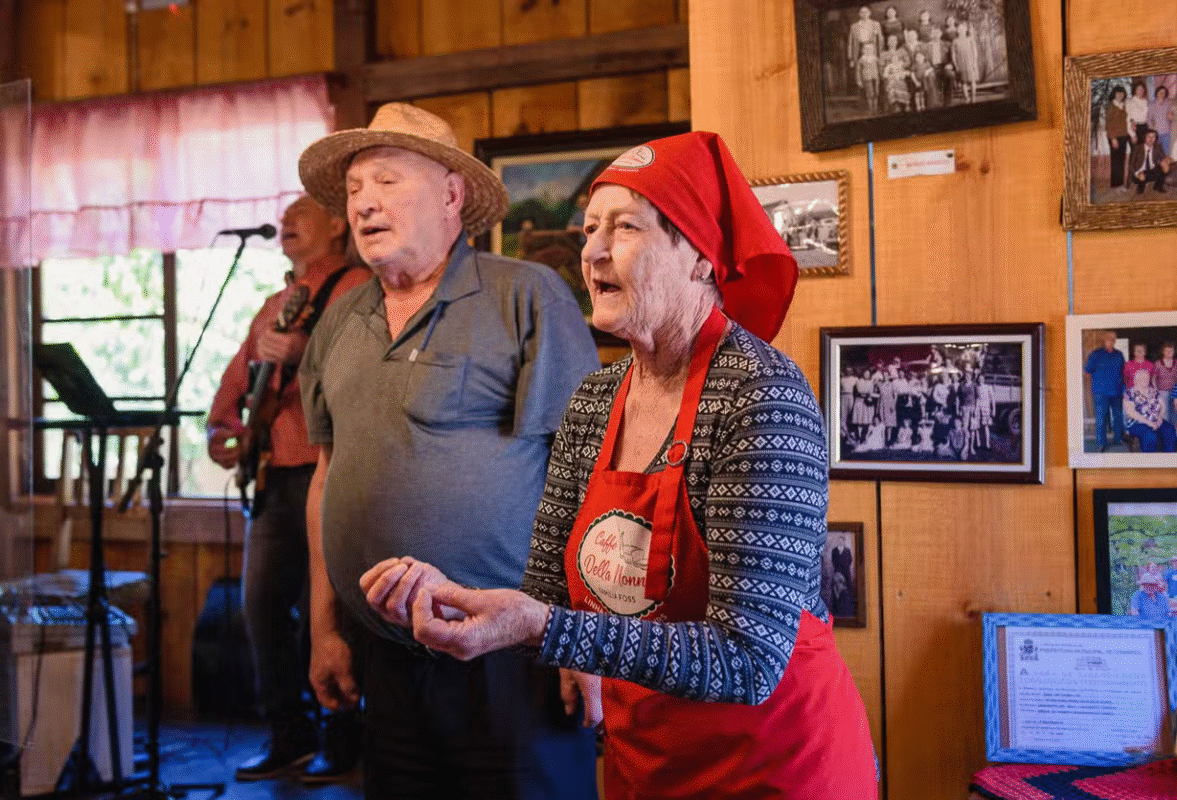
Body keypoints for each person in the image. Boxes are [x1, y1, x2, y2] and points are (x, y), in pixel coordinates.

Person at [360, 131, 880, 798]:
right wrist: (454, 601)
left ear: (701, 257)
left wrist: (543, 627)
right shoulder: (596, 400)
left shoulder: (761, 396)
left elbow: (749, 662)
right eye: (589, 230)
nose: (593, 251)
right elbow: (547, 596)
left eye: (625, 228)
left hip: (776, 764)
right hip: (649, 759)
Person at [295, 102, 601, 800]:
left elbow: (590, 473)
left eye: (387, 181)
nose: (364, 203)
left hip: (512, 658)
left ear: (451, 195)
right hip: (385, 658)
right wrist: (324, 629)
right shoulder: (340, 318)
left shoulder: (526, 295)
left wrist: (581, 635)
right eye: (355, 189)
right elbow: (325, 478)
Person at [206, 194, 370, 782]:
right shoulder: (274, 305)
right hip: (274, 477)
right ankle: (288, 731)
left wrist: (307, 353)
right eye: (285, 216)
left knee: (327, 612)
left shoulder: (358, 290)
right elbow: (234, 389)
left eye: (302, 212)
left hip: (331, 471)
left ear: (338, 225)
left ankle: (341, 735)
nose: (287, 222)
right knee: (261, 607)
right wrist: (224, 433)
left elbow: (367, 374)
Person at [1085, 330, 1125, 452]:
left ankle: (1118, 439)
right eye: (1109, 339)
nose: (1111, 341)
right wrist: (1098, 383)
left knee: (1118, 417)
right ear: (1104, 340)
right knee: (1101, 418)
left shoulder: (1119, 355)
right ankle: (1101, 443)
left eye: (1113, 339)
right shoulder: (1095, 354)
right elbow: (1087, 371)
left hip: (1117, 392)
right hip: (1101, 393)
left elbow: (1123, 372)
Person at [1123, 367, 1177, 453]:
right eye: (1142, 378)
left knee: (1169, 430)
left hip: (1156, 420)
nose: (1145, 380)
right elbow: (1131, 413)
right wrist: (1149, 423)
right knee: (1150, 436)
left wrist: (1160, 417)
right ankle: (1149, 460)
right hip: (1137, 423)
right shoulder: (1129, 393)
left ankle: (1168, 457)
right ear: (1136, 380)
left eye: (1147, 378)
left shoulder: (1154, 391)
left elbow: (1163, 406)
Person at [848, 5, 884, 94]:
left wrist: (880, 54)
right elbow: (850, 42)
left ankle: (874, 96)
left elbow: (880, 40)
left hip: (872, 49)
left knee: (874, 72)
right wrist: (851, 58)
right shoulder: (854, 26)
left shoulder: (875, 24)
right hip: (859, 49)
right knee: (860, 73)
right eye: (862, 12)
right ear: (859, 14)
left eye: (866, 12)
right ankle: (863, 96)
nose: (864, 14)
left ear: (870, 13)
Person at [1128, 128, 1170, 194]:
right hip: (1140, 171)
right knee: (1142, 178)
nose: (1151, 139)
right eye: (1149, 137)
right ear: (1144, 138)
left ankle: (1158, 186)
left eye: (1153, 137)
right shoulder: (1137, 148)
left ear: (1156, 138)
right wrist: (1137, 174)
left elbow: (1163, 157)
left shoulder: (1157, 146)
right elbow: (1131, 165)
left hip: (1151, 170)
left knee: (1166, 166)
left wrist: (1165, 161)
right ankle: (1140, 188)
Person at [1106, 86, 1131, 191]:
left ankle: (1120, 184)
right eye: (1118, 93)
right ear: (1114, 94)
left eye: (1122, 93)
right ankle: (1115, 185)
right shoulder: (1111, 106)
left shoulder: (1123, 106)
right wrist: (1113, 138)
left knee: (1121, 160)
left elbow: (1127, 119)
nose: (1120, 95)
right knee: (1115, 161)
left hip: (1123, 136)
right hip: (1115, 137)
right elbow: (1108, 124)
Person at [951, 20, 979, 103]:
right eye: (959, 29)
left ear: (966, 29)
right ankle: (967, 98)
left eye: (962, 29)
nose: (961, 30)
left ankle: (973, 97)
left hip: (970, 61)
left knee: (972, 80)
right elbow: (953, 54)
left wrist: (974, 62)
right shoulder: (955, 41)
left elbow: (975, 51)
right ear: (957, 30)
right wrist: (956, 65)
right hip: (961, 63)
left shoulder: (970, 39)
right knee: (963, 82)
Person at [1153, 341, 1177, 428]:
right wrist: (1155, 390)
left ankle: (1173, 432)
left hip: (1174, 393)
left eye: (1171, 351)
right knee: (1164, 414)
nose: (1169, 352)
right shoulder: (1158, 363)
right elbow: (1153, 378)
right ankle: (1165, 432)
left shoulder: (1176, 362)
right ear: (1163, 351)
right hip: (1162, 392)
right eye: (1167, 351)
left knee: (1174, 413)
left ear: (1174, 351)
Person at [1147, 85, 1173, 158]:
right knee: (1157, 153)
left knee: (1166, 153)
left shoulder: (1168, 104)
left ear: (1165, 94)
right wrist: (1152, 129)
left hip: (1166, 133)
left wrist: (1171, 117)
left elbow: (1171, 118)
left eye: (1163, 92)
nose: (1162, 94)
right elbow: (1148, 119)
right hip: (1156, 133)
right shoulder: (1152, 105)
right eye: (1160, 92)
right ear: (1157, 93)